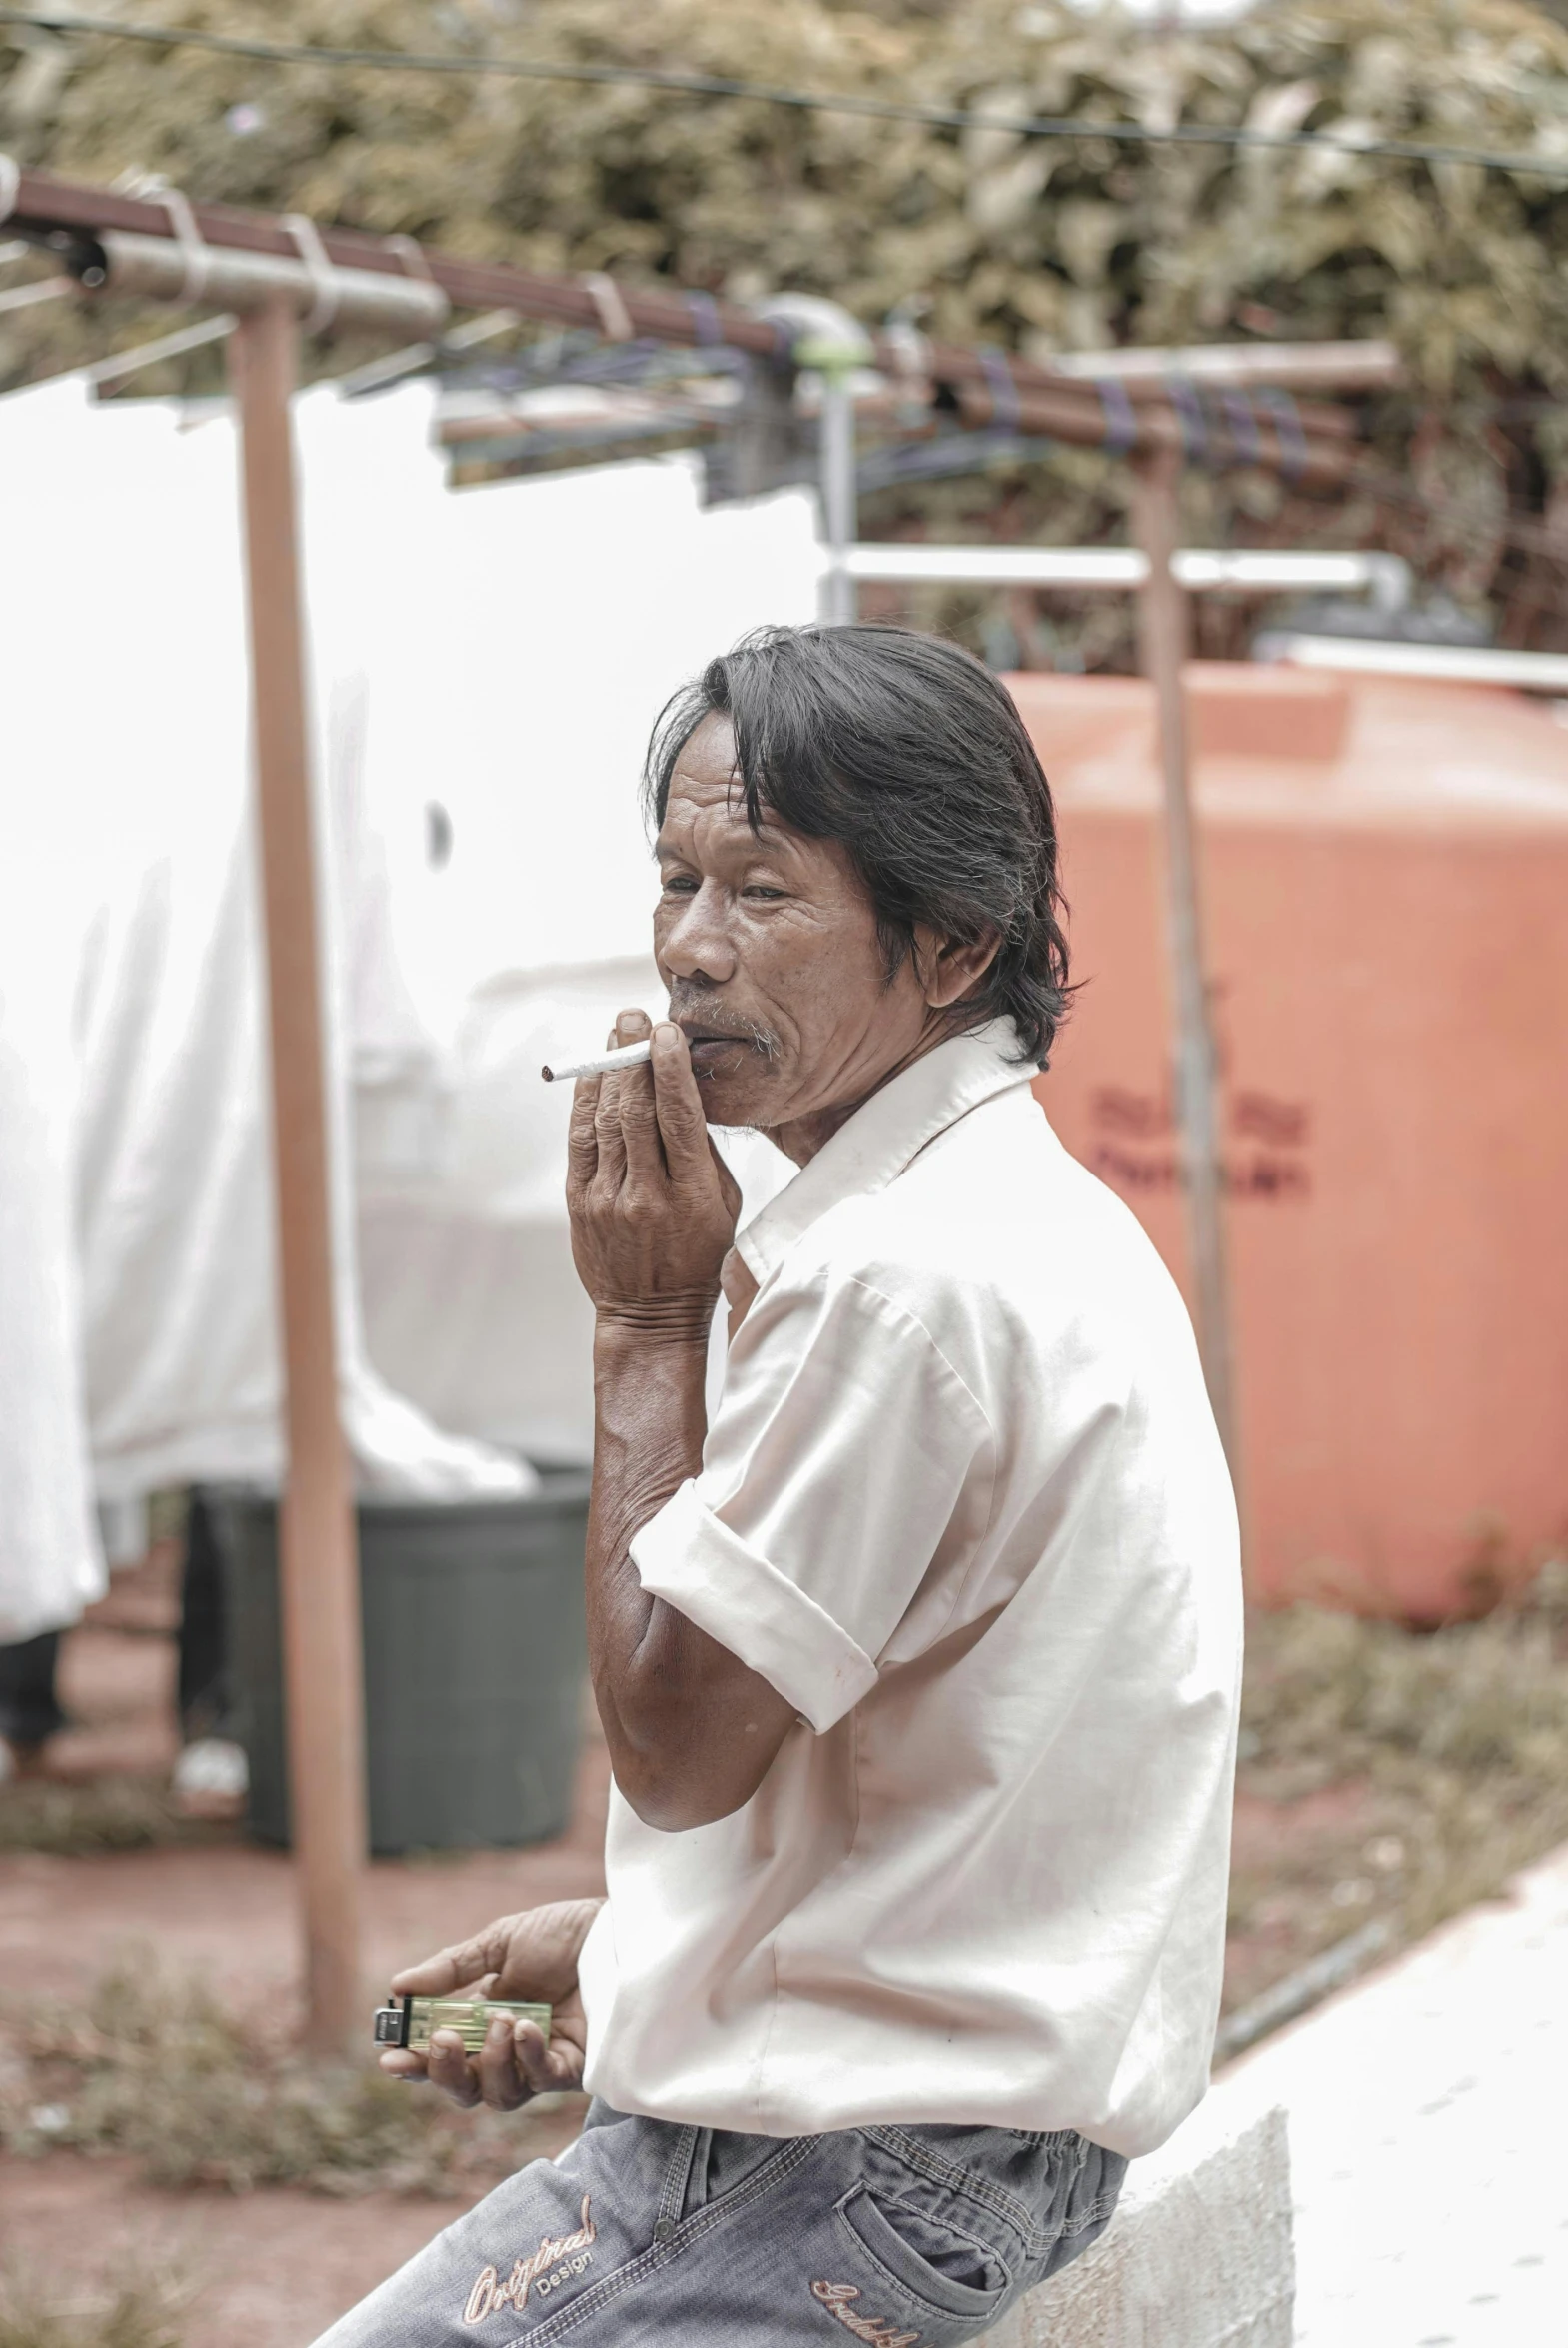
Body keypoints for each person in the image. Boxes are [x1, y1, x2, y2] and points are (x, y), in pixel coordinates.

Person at [318, 625, 1241, 2347]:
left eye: (764, 893)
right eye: (676, 881)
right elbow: (950, 1746)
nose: (687, 952)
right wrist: (640, 1957)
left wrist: (645, 1321)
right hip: (971, 2154)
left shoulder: (896, 1282)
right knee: (401, 2034)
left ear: (955, 939)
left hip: (846, 2172)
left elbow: (676, 1752)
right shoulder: (1007, 1218)